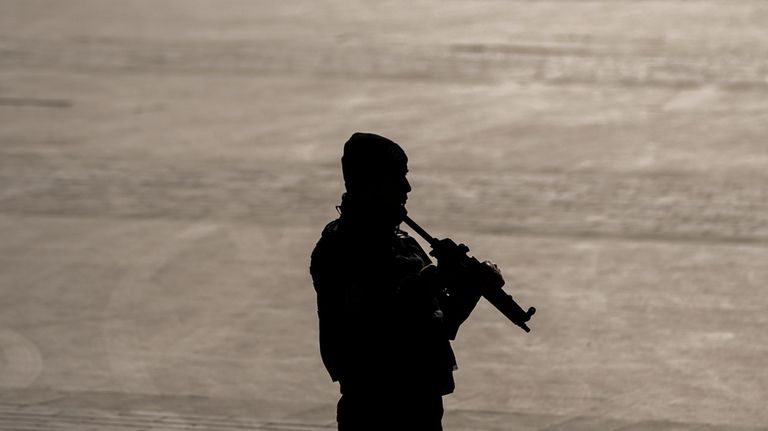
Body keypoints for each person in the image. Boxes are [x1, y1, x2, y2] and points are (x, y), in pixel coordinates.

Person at [310, 132, 504, 430]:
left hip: (422, 406)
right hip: (374, 409)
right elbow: (368, 327)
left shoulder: (404, 244)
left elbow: (442, 324)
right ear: (369, 183)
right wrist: (430, 282)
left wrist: (472, 287)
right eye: (396, 178)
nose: (407, 188)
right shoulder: (340, 248)